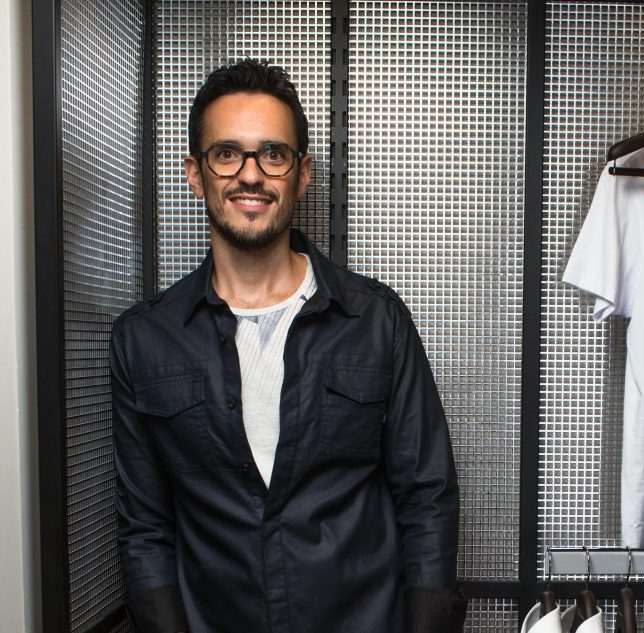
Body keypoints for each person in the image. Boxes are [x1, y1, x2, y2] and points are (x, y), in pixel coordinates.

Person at [110, 59, 465, 633]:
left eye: (272, 154)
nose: (250, 175)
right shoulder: (144, 340)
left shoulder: (376, 322)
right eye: (227, 153)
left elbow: (428, 499)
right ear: (195, 174)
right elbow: (145, 528)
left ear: (302, 174)